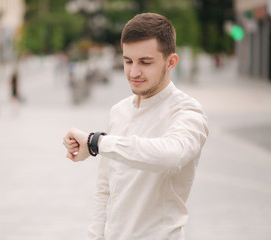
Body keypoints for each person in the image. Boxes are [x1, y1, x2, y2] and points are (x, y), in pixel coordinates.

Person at [63, 13, 209, 240]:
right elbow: (105, 190)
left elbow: (171, 155)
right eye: (128, 61)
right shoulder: (118, 111)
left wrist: (97, 142)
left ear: (171, 62)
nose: (133, 72)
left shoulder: (188, 112)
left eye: (145, 62)